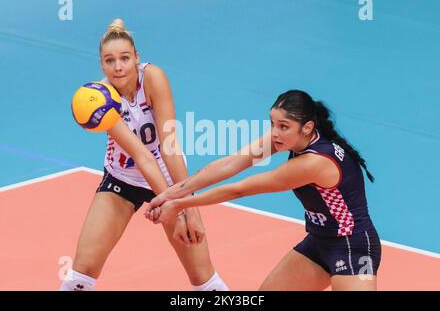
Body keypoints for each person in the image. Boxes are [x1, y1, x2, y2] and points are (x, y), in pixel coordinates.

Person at [145, 90, 381, 291]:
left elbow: (239, 190)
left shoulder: (313, 163)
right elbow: (231, 164)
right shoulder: (289, 139)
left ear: (307, 127)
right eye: (273, 124)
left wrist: (178, 204)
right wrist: (168, 194)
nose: (275, 132)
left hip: (353, 245)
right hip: (319, 243)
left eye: (284, 126)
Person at [60, 18, 228, 291]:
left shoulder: (153, 77)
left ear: (137, 58)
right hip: (122, 181)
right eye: (109, 60)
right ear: (101, 65)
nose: (118, 66)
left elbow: (168, 147)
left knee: (203, 278)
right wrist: (172, 208)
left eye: (125, 58)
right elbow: (141, 155)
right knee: (82, 272)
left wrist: (187, 209)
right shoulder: (100, 97)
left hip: (169, 176)